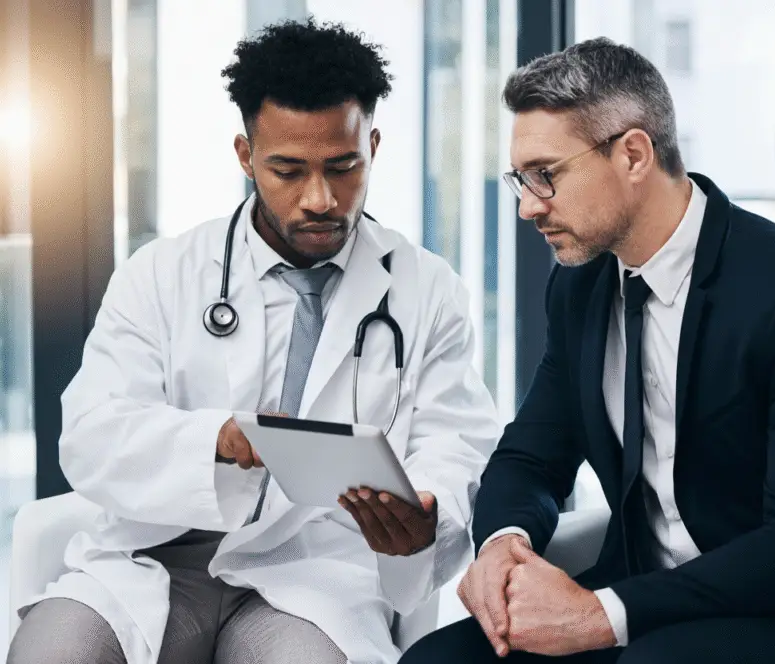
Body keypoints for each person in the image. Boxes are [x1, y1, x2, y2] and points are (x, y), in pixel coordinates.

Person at [8, 18, 500, 664]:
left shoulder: (427, 292)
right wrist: (217, 442)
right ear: (245, 156)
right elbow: (90, 431)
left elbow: (456, 446)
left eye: (343, 166)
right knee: (52, 653)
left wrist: (429, 516)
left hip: (314, 574)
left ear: (373, 146)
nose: (320, 198)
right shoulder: (163, 274)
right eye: (288, 170)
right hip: (152, 559)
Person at [400, 37, 775, 664]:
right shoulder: (580, 285)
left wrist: (601, 615)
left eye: (546, 175)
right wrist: (502, 541)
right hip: (639, 602)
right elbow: (531, 454)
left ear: (633, 154)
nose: (527, 206)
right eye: (520, 179)